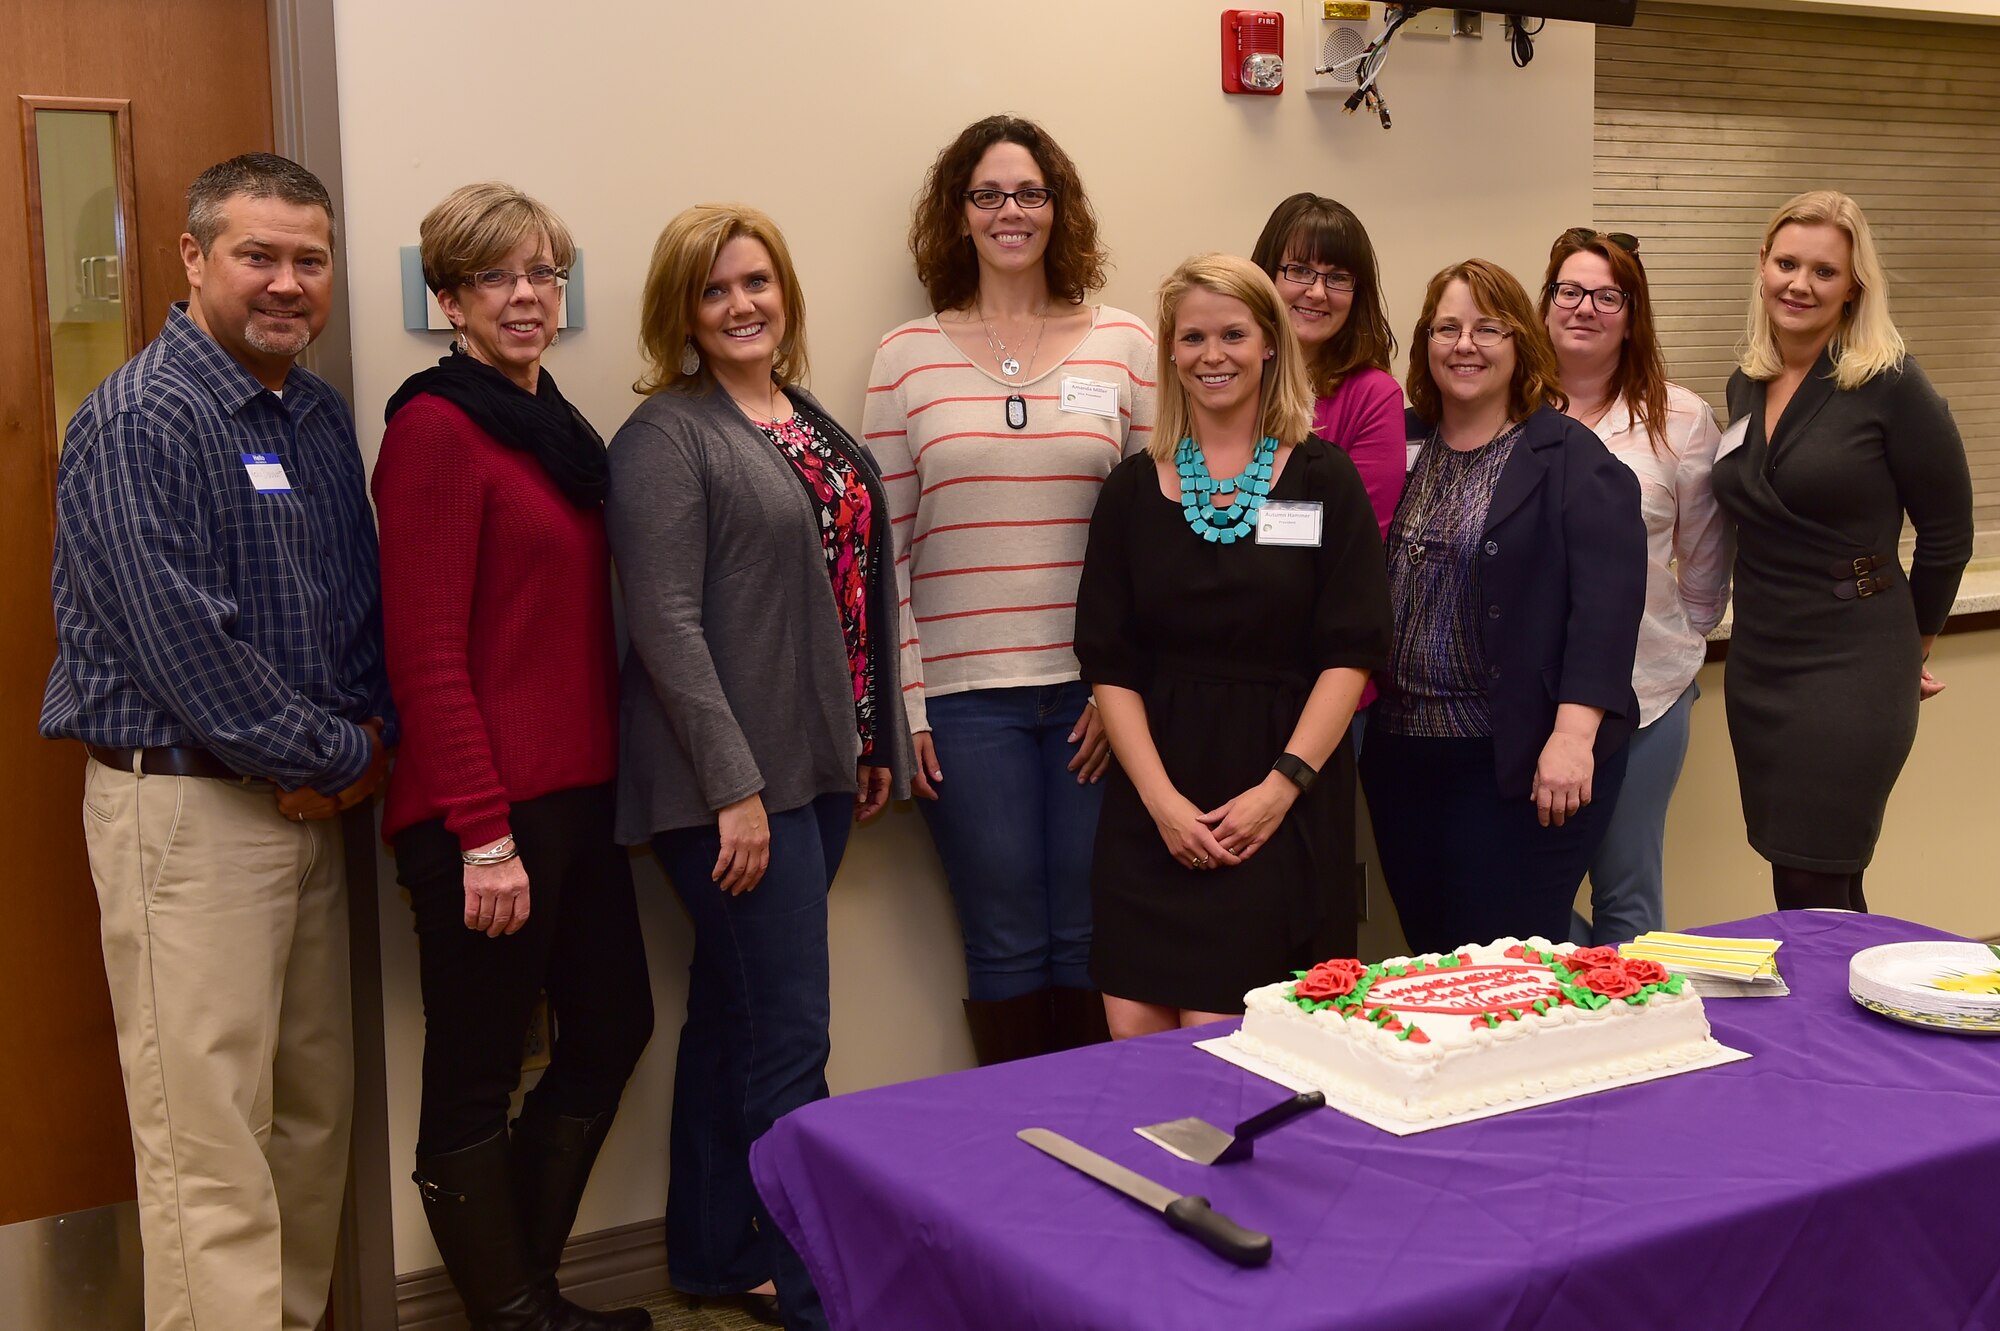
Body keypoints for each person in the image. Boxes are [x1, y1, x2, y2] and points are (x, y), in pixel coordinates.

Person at [39, 153, 392, 1331]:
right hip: (190, 818)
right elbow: (188, 652)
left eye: (309, 258)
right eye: (259, 255)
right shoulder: (139, 419)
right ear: (193, 259)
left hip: (306, 810)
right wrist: (340, 758)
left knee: (308, 1120)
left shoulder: (316, 412)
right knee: (209, 1149)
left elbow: (355, 606)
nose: (287, 282)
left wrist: (357, 738)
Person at [609, 203, 910, 1331]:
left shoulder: (810, 423)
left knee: (733, 1019)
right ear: (681, 313)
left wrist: (868, 737)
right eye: (714, 290)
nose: (741, 305)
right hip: (728, 790)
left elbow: (852, 587)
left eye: (757, 283)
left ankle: (710, 1245)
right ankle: (807, 1270)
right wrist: (734, 787)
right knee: (789, 1031)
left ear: (784, 292)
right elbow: (667, 627)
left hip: (817, 772)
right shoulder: (664, 438)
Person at [375, 183, 654, 1331]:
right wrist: (483, 832)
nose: (527, 295)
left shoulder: (553, 424)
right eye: (495, 276)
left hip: (580, 797)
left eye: (543, 272)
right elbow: (426, 651)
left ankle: (525, 1297)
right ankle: (515, 1311)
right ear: (446, 295)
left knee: (612, 1027)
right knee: (476, 1071)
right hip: (484, 813)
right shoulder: (436, 427)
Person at [865, 115, 1155, 1063]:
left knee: (1085, 931)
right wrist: (902, 700)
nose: (1010, 211)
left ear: (1057, 207)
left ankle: (1095, 1145)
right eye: (988, 194)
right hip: (960, 700)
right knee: (1003, 940)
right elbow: (886, 552)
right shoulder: (904, 357)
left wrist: (1129, 693)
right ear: (958, 216)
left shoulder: (1126, 343)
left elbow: (1161, 538)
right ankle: (1022, 1161)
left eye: (1029, 192)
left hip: (1093, 692)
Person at [1074, 254, 1389, 1036]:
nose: (1213, 355)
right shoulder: (1128, 491)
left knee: (1231, 1060)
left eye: (1233, 334)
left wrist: (1279, 790)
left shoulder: (1326, 479)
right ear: (1171, 355)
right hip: (1152, 810)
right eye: (1193, 338)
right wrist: (1162, 805)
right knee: (1137, 1062)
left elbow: (1351, 653)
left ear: (1270, 345)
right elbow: (1108, 663)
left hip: (1277, 809)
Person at [1361, 259, 1645, 957]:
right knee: (1433, 960)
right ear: (1425, 341)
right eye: (1447, 327)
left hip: (1519, 762)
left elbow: (1606, 611)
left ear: (1522, 344)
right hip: (1403, 757)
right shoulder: (1401, 442)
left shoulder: (1573, 459)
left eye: (1489, 328)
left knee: (1508, 969)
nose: (1466, 344)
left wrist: (1573, 737)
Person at [1715, 190, 1973, 911]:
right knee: (1796, 872)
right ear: (1761, 266)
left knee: (1815, 873)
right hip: (1763, 656)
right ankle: (1827, 1020)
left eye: (1823, 272)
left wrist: (1911, 647)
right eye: (1787, 263)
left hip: (1852, 661)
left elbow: (1949, 531)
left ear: (1854, 286)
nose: (1800, 284)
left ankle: (1837, 1021)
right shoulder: (1746, 382)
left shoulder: (1891, 383)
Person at [1539, 228, 1731, 945]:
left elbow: (1706, 563)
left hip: (1645, 693)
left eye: (1606, 295)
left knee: (1627, 890)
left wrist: (1666, 631)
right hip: (1529, 697)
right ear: (1547, 302)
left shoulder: (1680, 419)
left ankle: (1639, 1040)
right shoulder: (1507, 410)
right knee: (1523, 894)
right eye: (1569, 290)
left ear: (1631, 311)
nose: (1584, 307)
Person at [1250, 192, 1405, 538]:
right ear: (1266, 275)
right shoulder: (1225, 375)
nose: (1317, 292)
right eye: (1300, 270)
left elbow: (1355, 539)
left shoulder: (1373, 397)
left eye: (1337, 278)